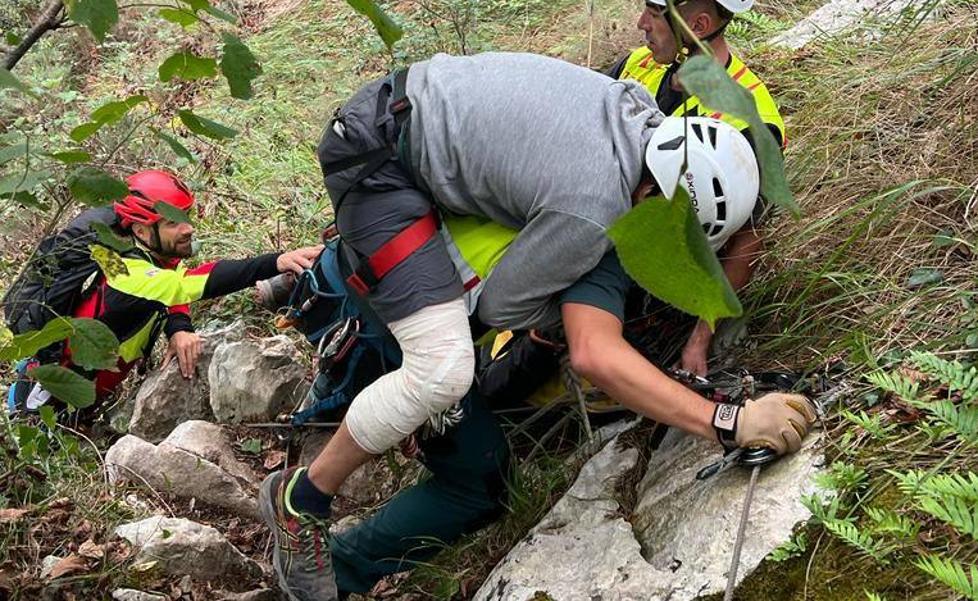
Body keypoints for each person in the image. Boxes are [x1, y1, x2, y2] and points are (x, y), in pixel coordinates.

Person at [259, 51, 816, 601]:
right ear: (654, 196)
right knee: (442, 370)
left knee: (477, 467)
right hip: (378, 155)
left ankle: (337, 569)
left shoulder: (639, 115)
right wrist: (729, 422)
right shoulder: (593, 209)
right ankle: (301, 499)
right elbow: (515, 309)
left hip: (402, 125)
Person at [3, 169, 322, 415]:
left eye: (186, 217)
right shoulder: (125, 273)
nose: (188, 228)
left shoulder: (133, 248)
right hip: (49, 400)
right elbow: (186, 284)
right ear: (141, 229)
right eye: (172, 222)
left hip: (90, 388)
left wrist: (178, 326)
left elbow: (171, 278)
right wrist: (275, 262)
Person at [605, 0, 786, 375]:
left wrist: (699, 340)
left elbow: (750, 240)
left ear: (699, 25)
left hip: (654, 288)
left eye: (654, 13)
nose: (641, 23)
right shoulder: (637, 64)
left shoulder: (751, 124)